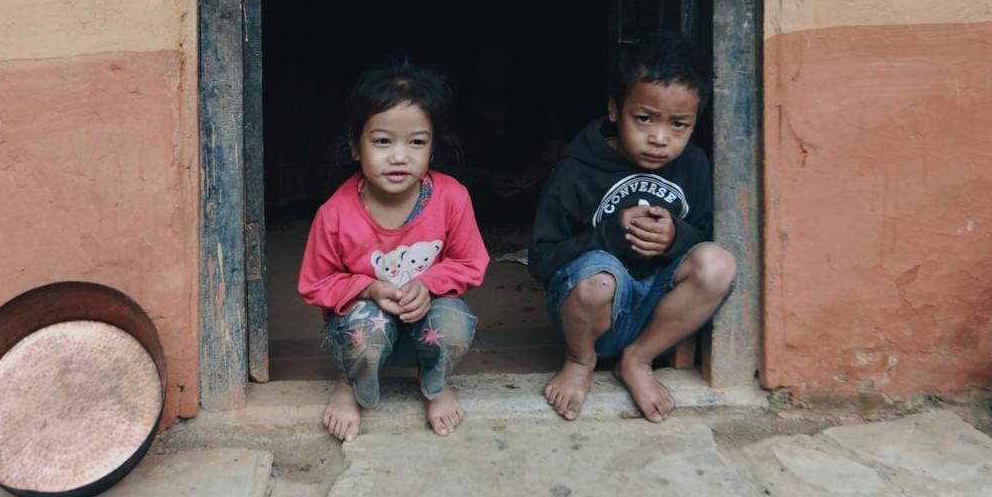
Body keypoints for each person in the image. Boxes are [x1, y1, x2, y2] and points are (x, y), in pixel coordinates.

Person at [529, 32, 736, 423]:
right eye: (644, 118)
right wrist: (609, 236)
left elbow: (704, 234)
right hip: (589, 311)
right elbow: (541, 260)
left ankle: (637, 360)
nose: (659, 138)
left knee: (718, 263)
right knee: (599, 280)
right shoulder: (576, 172)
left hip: (657, 313)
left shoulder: (694, 166)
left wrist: (677, 236)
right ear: (614, 109)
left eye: (679, 124)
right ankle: (579, 362)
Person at [298, 61, 489, 441]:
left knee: (454, 323)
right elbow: (314, 284)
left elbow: (472, 263)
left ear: (433, 147)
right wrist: (367, 289)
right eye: (383, 141)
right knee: (364, 325)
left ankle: (434, 381)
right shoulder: (335, 213)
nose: (399, 156)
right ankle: (353, 384)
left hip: (427, 327)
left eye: (416, 142)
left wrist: (429, 283)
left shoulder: (452, 198)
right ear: (356, 144)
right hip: (367, 332)